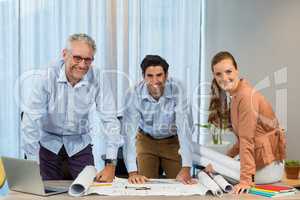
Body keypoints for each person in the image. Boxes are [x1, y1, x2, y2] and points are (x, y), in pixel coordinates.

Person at [22, 33, 123, 181]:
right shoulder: (47, 76)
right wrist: (32, 163)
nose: (82, 65)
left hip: (79, 144)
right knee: (43, 192)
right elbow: (30, 120)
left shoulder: (98, 78)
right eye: (77, 58)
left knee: (89, 190)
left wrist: (111, 164)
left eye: (87, 60)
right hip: (47, 144)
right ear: (65, 54)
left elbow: (110, 120)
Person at [205, 51, 286, 194]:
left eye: (228, 71)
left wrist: (246, 180)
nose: (224, 78)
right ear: (214, 76)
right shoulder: (236, 96)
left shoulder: (246, 96)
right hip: (261, 162)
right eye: (218, 74)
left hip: (267, 167)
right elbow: (243, 139)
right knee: (211, 162)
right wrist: (226, 158)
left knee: (212, 164)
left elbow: (246, 140)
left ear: (237, 70)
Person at [122, 55, 196, 184]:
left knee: (181, 183)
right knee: (145, 184)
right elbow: (129, 134)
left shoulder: (178, 89)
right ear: (143, 76)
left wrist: (186, 167)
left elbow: (184, 128)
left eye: (159, 75)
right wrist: (133, 172)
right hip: (146, 141)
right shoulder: (133, 93)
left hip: (172, 142)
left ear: (166, 75)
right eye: (149, 76)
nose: (155, 80)